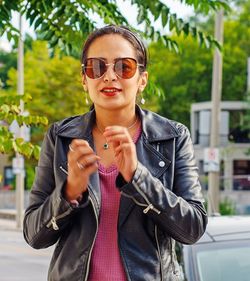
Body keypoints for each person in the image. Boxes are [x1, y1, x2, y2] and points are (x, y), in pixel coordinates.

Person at [23, 24, 207, 281]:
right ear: (84, 79)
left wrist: (137, 177)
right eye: (96, 67)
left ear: (142, 80)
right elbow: (33, 235)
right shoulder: (60, 137)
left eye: (124, 67)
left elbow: (193, 228)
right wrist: (69, 192)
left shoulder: (173, 137)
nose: (109, 76)